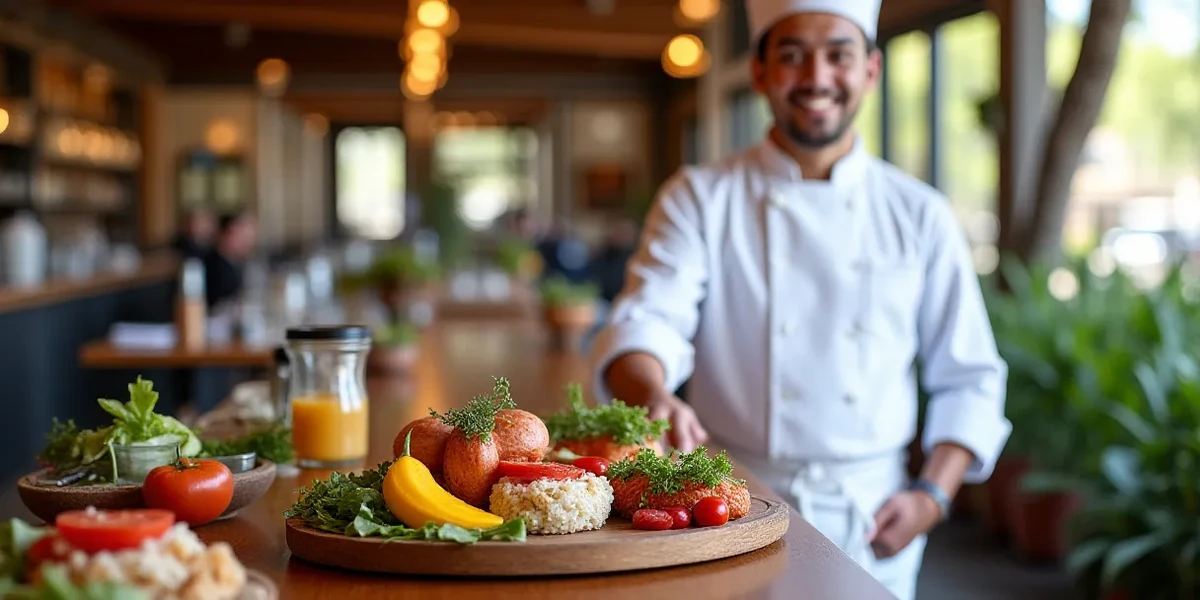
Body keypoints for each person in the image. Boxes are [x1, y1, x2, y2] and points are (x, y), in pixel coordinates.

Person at [587, 1, 1011, 598]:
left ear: (870, 71)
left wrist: (933, 497)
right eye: (792, 57)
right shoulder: (701, 198)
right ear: (759, 73)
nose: (816, 78)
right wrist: (654, 393)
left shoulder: (920, 214)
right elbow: (649, 318)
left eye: (838, 55)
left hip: (871, 508)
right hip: (729, 500)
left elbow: (969, 377)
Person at [203, 211, 258, 309]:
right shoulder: (212, 266)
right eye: (239, 234)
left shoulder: (239, 263)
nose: (245, 239)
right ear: (223, 234)